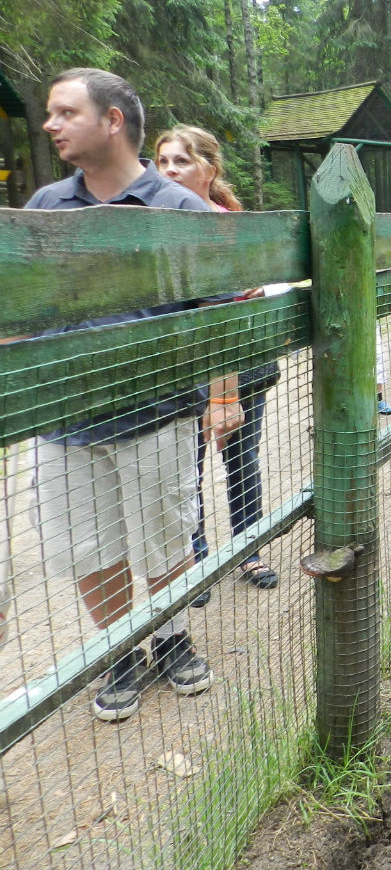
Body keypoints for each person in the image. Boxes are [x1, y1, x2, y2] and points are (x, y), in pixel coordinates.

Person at [22, 69, 240, 721]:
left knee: (164, 538)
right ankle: (120, 651)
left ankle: (170, 638)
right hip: (64, 421)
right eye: (50, 114)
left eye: (65, 112)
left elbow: (219, 317)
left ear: (112, 121)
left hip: (157, 413)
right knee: (90, 547)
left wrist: (223, 396)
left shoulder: (181, 210)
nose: (49, 124)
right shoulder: (44, 207)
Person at [154, 126, 279, 595]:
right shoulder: (152, 221)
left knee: (242, 457)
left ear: (209, 168)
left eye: (180, 161)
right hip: (183, 369)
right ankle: (198, 556)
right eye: (162, 161)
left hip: (241, 364)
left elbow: (255, 290)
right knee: (190, 464)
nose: (169, 170)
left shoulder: (233, 223)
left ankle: (249, 548)